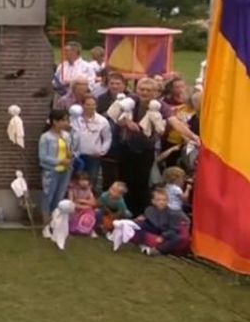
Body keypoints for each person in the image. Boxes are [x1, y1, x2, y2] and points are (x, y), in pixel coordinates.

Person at [117, 78, 198, 216]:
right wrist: (127, 122)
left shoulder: (162, 106)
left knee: (142, 183)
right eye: (142, 89)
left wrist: (193, 136)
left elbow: (175, 122)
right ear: (137, 90)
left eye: (149, 90)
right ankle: (125, 212)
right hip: (126, 147)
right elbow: (116, 115)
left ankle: (140, 214)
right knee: (124, 181)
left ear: (155, 93)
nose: (144, 92)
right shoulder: (131, 100)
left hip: (146, 150)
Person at [38, 109, 78, 224]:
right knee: (48, 196)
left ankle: (55, 222)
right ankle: (45, 222)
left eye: (67, 120)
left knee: (59, 196)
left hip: (66, 171)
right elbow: (43, 156)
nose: (66, 123)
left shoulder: (66, 135)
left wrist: (71, 155)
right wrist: (60, 161)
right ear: (55, 122)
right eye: (63, 120)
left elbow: (72, 149)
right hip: (51, 171)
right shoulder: (46, 137)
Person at [71, 95, 111, 192]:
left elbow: (107, 138)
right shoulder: (74, 119)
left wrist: (103, 150)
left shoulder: (102, 121)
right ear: (82, 105)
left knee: (92, 179)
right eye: (88, 104)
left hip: (93, 156)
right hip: (77, 155)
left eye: (93, 105)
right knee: (75, 179)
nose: (90, 107)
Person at [134, 188, 189, 256]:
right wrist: (141, 218)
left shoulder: (172, 214)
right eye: (158, 200)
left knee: (177, 238)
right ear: (153, 201)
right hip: (155, 228)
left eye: (164, 200)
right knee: (138, 225)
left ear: (167, 201)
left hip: (167, 231)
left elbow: (173, 229)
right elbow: (147, 219)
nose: (161, 202)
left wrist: (163, 236)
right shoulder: (149, 210)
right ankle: (141, 243)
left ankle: (158, 250)